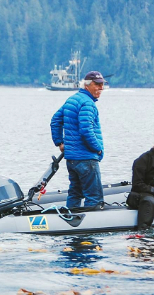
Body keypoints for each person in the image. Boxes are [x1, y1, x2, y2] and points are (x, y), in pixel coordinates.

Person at [50, 70, 107, 209]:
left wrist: (60, 143)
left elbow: (55, 120)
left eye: (102, 85)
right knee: (94, 198)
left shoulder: (72, 99)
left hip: (72, 159)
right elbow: (86, 130)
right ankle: (93, 228)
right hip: (86, 158)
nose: (101, 88)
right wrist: (98, 148)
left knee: (75, 193)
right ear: (87, 85)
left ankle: (70, 222)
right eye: (97, 85)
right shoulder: (88, 104)